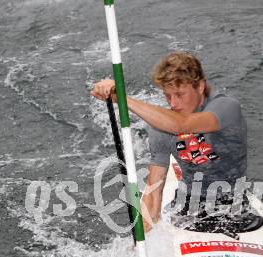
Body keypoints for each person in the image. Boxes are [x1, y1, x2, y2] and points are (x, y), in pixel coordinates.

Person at [91, 52, 248, 232]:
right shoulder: (160, 128)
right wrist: (141, 245)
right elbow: (153, 195)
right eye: (168, 96)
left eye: (180, 94)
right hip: (187, 206)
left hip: (234, 205)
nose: (173, 104)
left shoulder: (227, 108)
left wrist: (122, 98)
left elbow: (182, 125)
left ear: (200, 87)